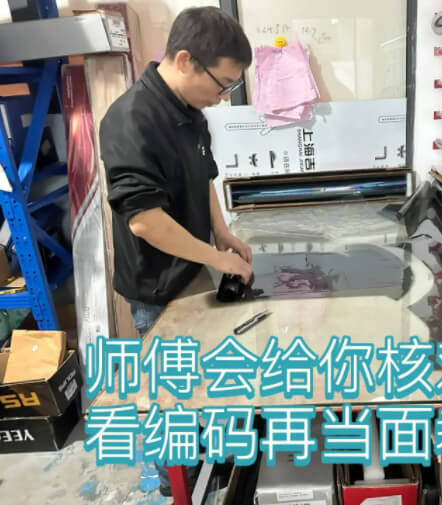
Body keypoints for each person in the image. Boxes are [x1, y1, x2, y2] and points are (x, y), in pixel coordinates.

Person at [99, 6, 254, 496]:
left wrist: (222, 232)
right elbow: (145, 221)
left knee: (201, 382)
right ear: (186, 60)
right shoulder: (130, 120)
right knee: (171, 395)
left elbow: (204, 175)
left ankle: (208, 463)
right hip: (157, 283)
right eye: (223, 84)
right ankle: (175, 484)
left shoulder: (190, 112)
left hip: (193, 270)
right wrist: (216, 258)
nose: (224, 96)